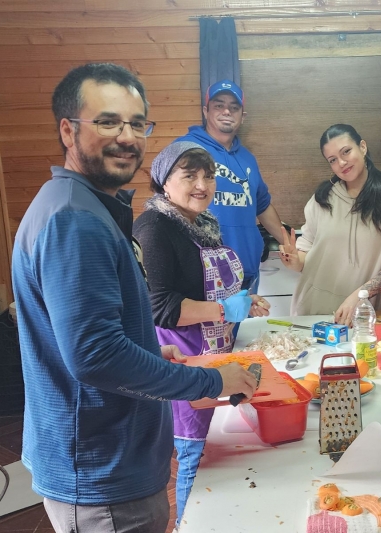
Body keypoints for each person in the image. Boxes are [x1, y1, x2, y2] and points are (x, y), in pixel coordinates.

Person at [11, 63, 257, 533]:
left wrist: (148, 350)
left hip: (112, 460)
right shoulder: (75, 220)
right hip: (103, 473)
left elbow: (93, 333)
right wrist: (212, 381)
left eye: (136, 123)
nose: (126, 137)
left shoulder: (85, 206)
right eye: (107, 122)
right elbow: (96, 356)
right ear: (68, 130)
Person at [132, 141, 270, 527]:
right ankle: (188, 525)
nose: (201, 185)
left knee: (216, 447)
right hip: (183, 357)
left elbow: (203, 286)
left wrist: (241, 299)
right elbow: (162, 308)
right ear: (164, 181)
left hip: (215, 353)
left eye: (208, 176)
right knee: (195, 454)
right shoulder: (154, 227)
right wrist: (226, 309)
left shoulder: (202, 222)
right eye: (189, 175)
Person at [280, 124, 381, 325]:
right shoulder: (322, 199)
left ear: (362, 147)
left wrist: (360, 296)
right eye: (333, 160)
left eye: (346, 151)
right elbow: (306, 255)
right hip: (313, 312)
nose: (342, 163)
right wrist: (295, 261)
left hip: (365, 314)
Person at [175, 79, 284, 294]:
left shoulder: (247, 158)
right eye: (219, 105)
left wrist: (289, 244)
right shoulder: (185, 148)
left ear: (242, 117)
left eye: (234, 108)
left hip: (247, 277)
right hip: (203, 280)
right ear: (206, 111)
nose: (227, 111)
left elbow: (262, 206)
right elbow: (167, 205)